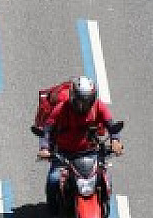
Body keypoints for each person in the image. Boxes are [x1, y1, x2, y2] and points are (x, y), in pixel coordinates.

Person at [37, 76, 122, 215]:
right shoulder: (61, 109)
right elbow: (47, 130)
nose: (83, 105)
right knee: (53, 180)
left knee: (106, 180)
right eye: (80, 101)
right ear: (73, 97)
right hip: (64, 155)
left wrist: (116, 141)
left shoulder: (98, 106)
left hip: (90, 153)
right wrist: (44, 148)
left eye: (87, 101)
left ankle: (104, 205)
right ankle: (53, 211)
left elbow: (111, 125)